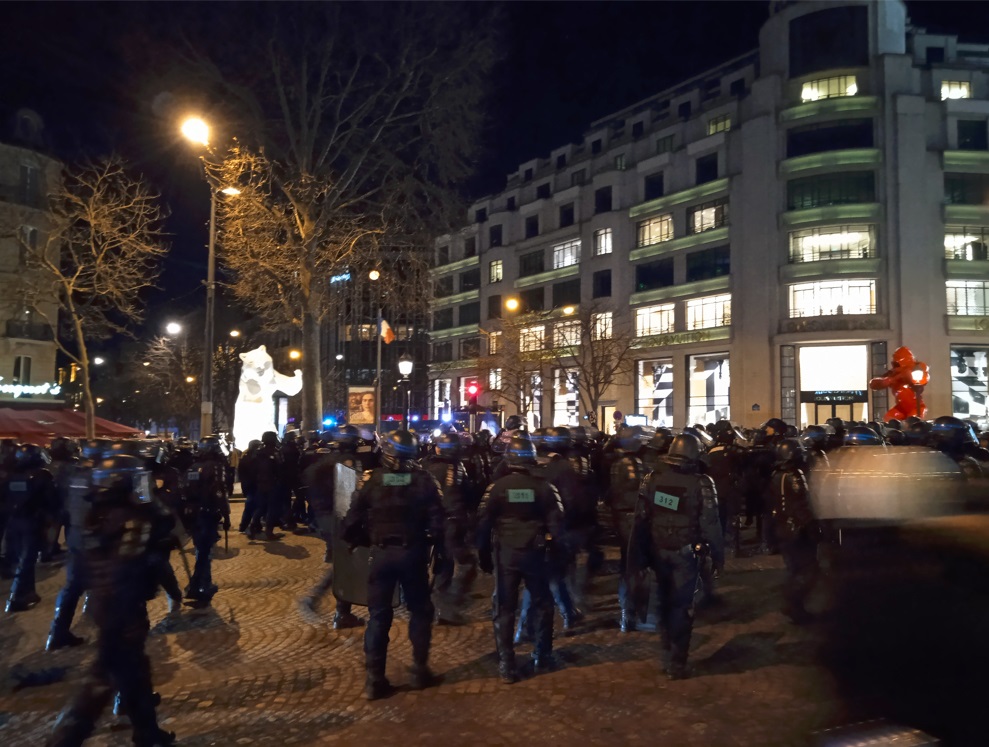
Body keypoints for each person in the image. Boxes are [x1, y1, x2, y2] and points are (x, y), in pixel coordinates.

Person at [47, 454, 175, 747]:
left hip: (109, 605)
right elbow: (130, 563)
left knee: (136, 672)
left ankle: (147, 733)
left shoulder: (95, 515)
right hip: (121, 607)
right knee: (101, 680)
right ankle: (64, 739)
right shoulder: (130, 520)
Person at [341, 429, 445, 700]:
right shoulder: (425, 480)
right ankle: (420, 671)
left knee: (378, 617)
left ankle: (375, 680)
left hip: (381, 554)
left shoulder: (371, 480)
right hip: (413, 554)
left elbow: (351, 520)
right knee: (420, 612)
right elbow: (438, 522)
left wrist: (362, 540)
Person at [633, 432, 723, 680]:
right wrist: (717, 556)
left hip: (658, 551)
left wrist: (639, 556)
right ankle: (677, 663)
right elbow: (711, 523)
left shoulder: (651, 479)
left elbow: (641, 519)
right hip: (686, 554)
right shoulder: (702, 482)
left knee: (663, 602)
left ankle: (666, 655)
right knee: (682, 607)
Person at [477, 435, 565, 684]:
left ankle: (506, 663)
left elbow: (483, 524)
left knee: (504, 608)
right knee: (542, 603)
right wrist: (559, 554)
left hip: (506, 555)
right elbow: (557, 525)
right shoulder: (544, 487)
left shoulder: (496, 488)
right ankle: (543, 654)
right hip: (535, 555)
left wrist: (483, 555)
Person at [424, 432, 476, 626]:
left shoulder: (426, 466)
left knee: (442, 564)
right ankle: (449, 604)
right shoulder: (458, 468)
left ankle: (436, 605)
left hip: (432, 522)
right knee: (465, 563)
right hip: (453, 522)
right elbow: (469, 496)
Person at [768, 438, 818, 624]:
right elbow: (801, 504)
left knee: (794, 568)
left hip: (782, 527)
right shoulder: (794, 475)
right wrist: (812, 526)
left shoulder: (776, 475)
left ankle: (793, 603)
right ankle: (794, 605)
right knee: (808, 569)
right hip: (797, 530)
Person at [5, 443, 58, 612]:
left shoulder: (12, 474)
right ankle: (16, 598)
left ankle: (29, 592)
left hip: (14, 522)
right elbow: (52, 501)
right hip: (33, 522)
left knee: (24, 558)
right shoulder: (43, 475)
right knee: (27, 561)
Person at [609, 426, 652, 632]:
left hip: (621, 517)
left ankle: (627, 612)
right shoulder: (636, 464)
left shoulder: (616, 464)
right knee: (635, 567)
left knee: (627, 566)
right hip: (633, 518)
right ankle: (634, 611)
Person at [182, 439, 230, 602]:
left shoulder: (192, 467)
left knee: (201, 551)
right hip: (207, 513)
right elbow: (219, 491)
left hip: (193, 514)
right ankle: (198, 586)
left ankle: (203, 583)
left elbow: (185, 490)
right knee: (204, 552)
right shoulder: (215, 467)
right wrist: (226, 513)